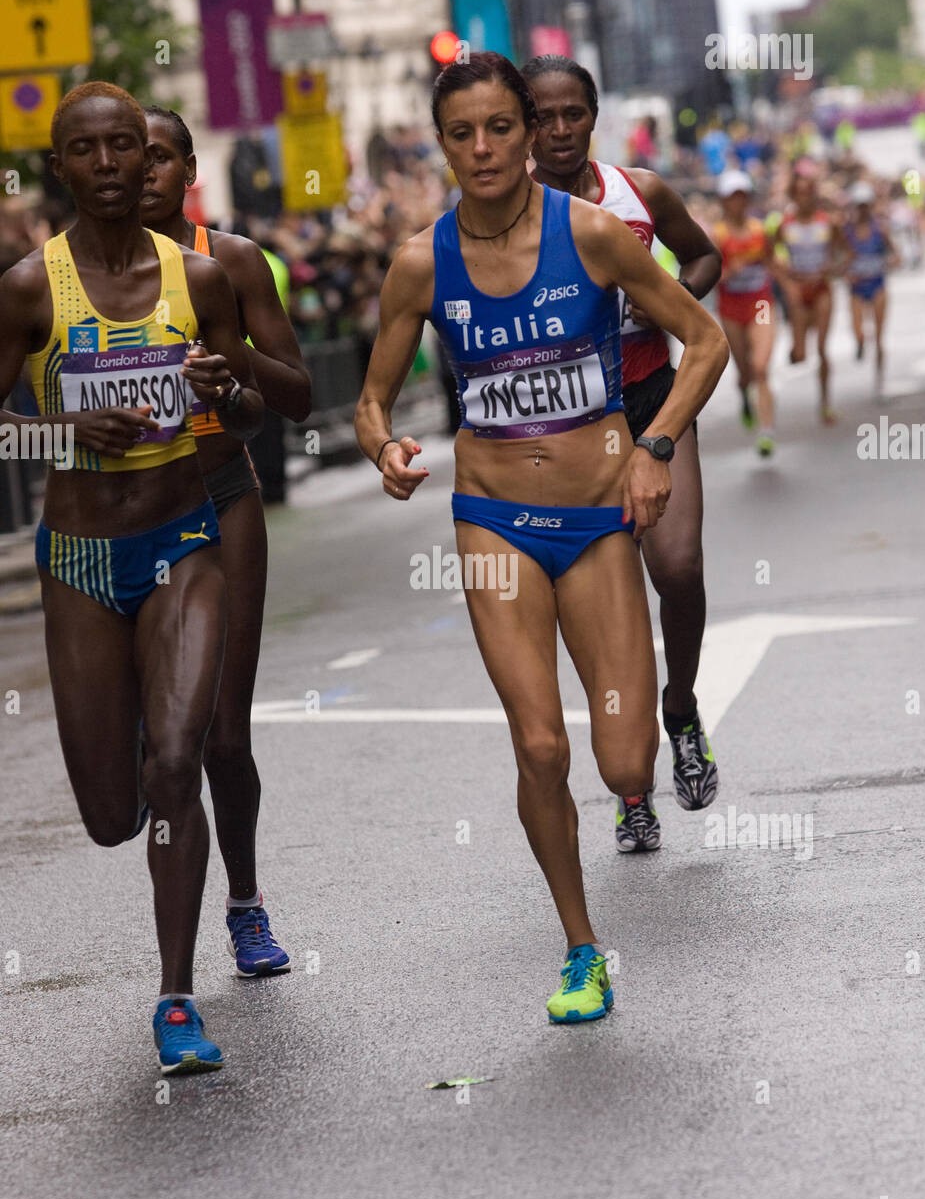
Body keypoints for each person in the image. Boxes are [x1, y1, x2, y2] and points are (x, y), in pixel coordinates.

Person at [354, 53, 728, 1023]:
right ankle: (579, 945)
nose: (483, 149)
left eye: (500, 129)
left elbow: (707, 340)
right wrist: (386, 449)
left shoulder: (597, 236)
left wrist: (654, 446)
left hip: (599, 516)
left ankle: (650, 762)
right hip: (491, 520)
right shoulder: (417, 263)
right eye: (461, 133)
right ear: (439, 145)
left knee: (624, 764)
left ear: (531, 133)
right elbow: (369, 399)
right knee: (537, 743)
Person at [0, 82, 265, 1072]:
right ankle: (142, 747)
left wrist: (224, 390)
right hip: (78, 559)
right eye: (87, 148)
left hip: (184, 539)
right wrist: (61, 429)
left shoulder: (198, 278)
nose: (110, 162)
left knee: (174, 767)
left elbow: (247, 416)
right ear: (58, 166)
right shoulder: (29, 288)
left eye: (124, 144)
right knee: (114, 813)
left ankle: (176, 996)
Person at [522, 54, 723, 850]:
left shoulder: (640, 192)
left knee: (677, 571)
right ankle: (632, 788)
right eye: (543, 115)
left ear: (594, 116)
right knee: (608, 615)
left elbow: (703, 253)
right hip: (573, 429)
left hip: (653, 403)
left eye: (574, 113)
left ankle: (680, 708)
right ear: (525, 125)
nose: (560, 129)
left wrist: (667, 296)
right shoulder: (512, 217)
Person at [141, 107, 312, 976]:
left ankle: (245, 906)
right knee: (155, 753)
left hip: (221, 497)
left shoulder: (232, 262)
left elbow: (294, 398)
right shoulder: (68, 275)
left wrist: (232, 367)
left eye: (161, 156)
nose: (142, 171)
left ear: (188, 168)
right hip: (123, 519)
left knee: (222, 740)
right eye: (129, 155)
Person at [713, 169, 778, 455]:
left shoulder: (760, 231)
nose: (738, 202)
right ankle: (744, 395)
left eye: (742, 196)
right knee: (744, 373)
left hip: (760, 304)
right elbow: (711, 277)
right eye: (732, 197)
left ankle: (766, 432)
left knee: (761, 367)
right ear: (723, 201)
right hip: (731, 309)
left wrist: (796, 283)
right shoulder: (717, 236)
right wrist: (729, 272)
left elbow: (772, 263)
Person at [776, 170, 843, 423]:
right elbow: (770, 257)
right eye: (799, 193)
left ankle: (825, 404)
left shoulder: (827, 222)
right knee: (801, 355)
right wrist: (786, 280)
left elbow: (844, 253)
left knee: (823, 348)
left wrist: (832, 268)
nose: (804, 198)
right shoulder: (785, 224)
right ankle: (794, 349)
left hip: (821, 288)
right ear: (793, 196)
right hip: (798, 289)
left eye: (808, 193)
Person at [840, 180, 899, 389]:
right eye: (859, 205)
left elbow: (897, 257)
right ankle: (860, 343)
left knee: (880, 336)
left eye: (866, 205)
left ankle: (880, 379)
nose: (862, 210)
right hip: (857, 288)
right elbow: (840, 263)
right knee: (858, 331)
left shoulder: (879, 230)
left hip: (877, 284)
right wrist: (847, 272)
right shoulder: (846, 233)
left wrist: (886, 263)